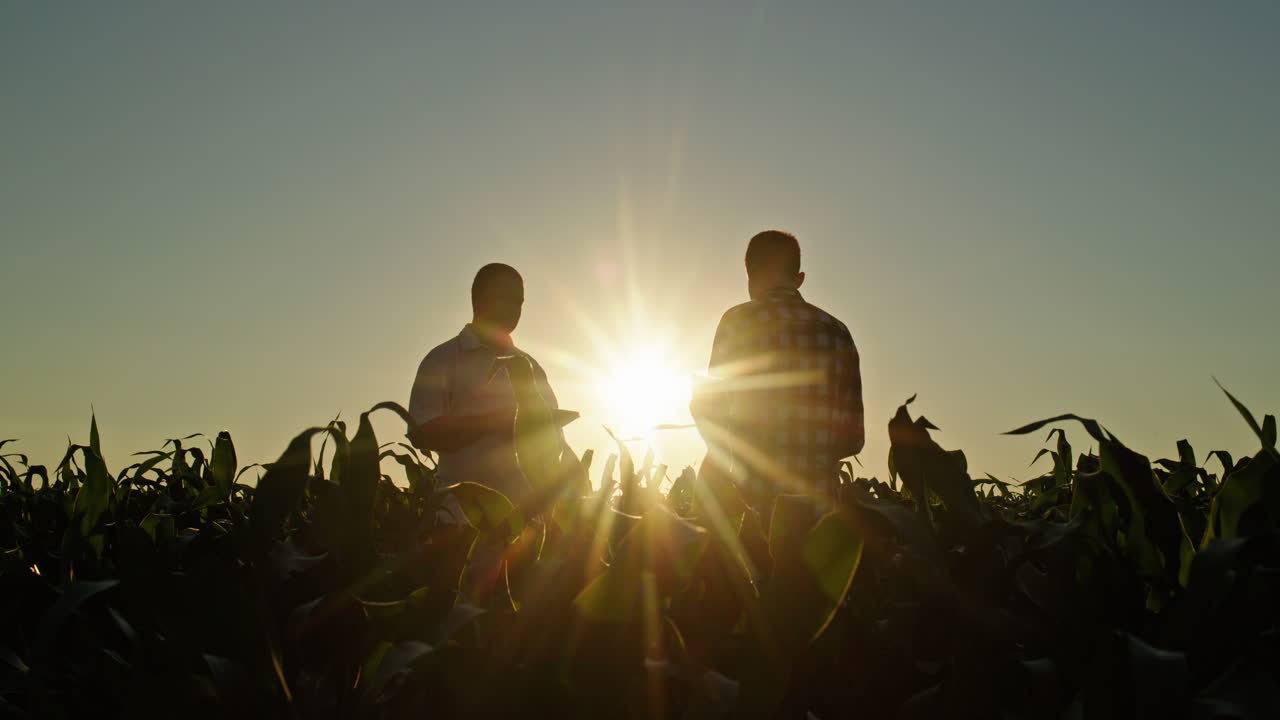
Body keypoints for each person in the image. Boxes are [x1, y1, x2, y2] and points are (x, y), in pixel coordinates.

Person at [690, 230, 864, 512]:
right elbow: (853, 440)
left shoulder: (738, 321)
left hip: (751, 509)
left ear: (750, 278)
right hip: (822, 515)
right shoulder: (838, 332)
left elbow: (712, 411)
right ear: (799, 279)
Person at [407, 263, 567, 503]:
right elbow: (422, 433)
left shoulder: (532, 368)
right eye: (506, 298)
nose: (515, 309)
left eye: (519, 302)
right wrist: (497, 422)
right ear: (478, 299)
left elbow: (555, 447)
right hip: (459, 521)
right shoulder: (443, 358)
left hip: (524, 521)